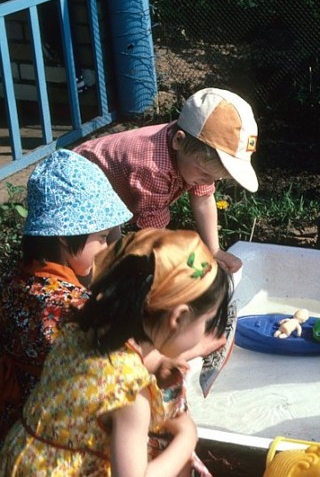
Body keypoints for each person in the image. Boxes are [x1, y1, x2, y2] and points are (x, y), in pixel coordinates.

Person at [0, 228, 233, 475]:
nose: (205, 331)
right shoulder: (131, 396)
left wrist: (170, 357)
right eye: (206, 322)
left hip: (21, 461)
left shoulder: (84, 330)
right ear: (178, 317)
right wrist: (187, 437)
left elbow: (132, 356)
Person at [0, 149, 132, 444]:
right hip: (55, 435)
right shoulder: (74, 307)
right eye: (101, 237)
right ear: (65, 235)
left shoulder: (16, 282)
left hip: (13, 425)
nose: (107, 247)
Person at [75, 87, 259, 273]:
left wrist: (213, 250)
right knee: (90, 258)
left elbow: (203, 198)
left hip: (110, 199)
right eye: (204, 173)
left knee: (113, 258)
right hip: (79, 190)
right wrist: (181, 266)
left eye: (215, 178)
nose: (207, 181)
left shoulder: (190, 150)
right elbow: (154, 231)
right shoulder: (152, 166)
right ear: (178, 141)